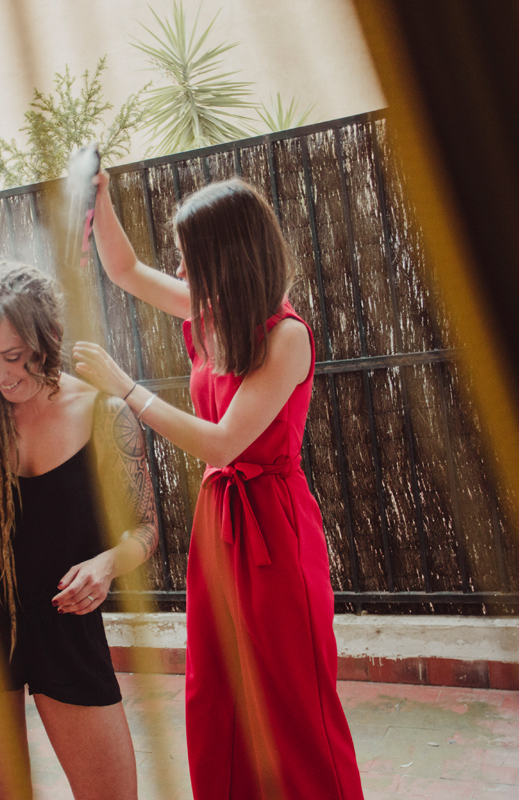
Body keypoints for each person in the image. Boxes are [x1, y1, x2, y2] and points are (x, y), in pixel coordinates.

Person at [73, 174, 364, 800]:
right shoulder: (214, 314)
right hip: (220, 524)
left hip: (273, 530)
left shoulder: (285, 336)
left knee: (291, 699)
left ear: (227, 259)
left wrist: (127, 388)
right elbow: (124, 270)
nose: (179, 269)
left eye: (189, 258)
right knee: (218, 694)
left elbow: (223, 442)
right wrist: (98, 196)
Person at [0, 260, 159, 800]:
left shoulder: (104, 413)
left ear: (47, 339)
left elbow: (144, 529)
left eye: (13, 357)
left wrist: (105, 563)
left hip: (65, 628)